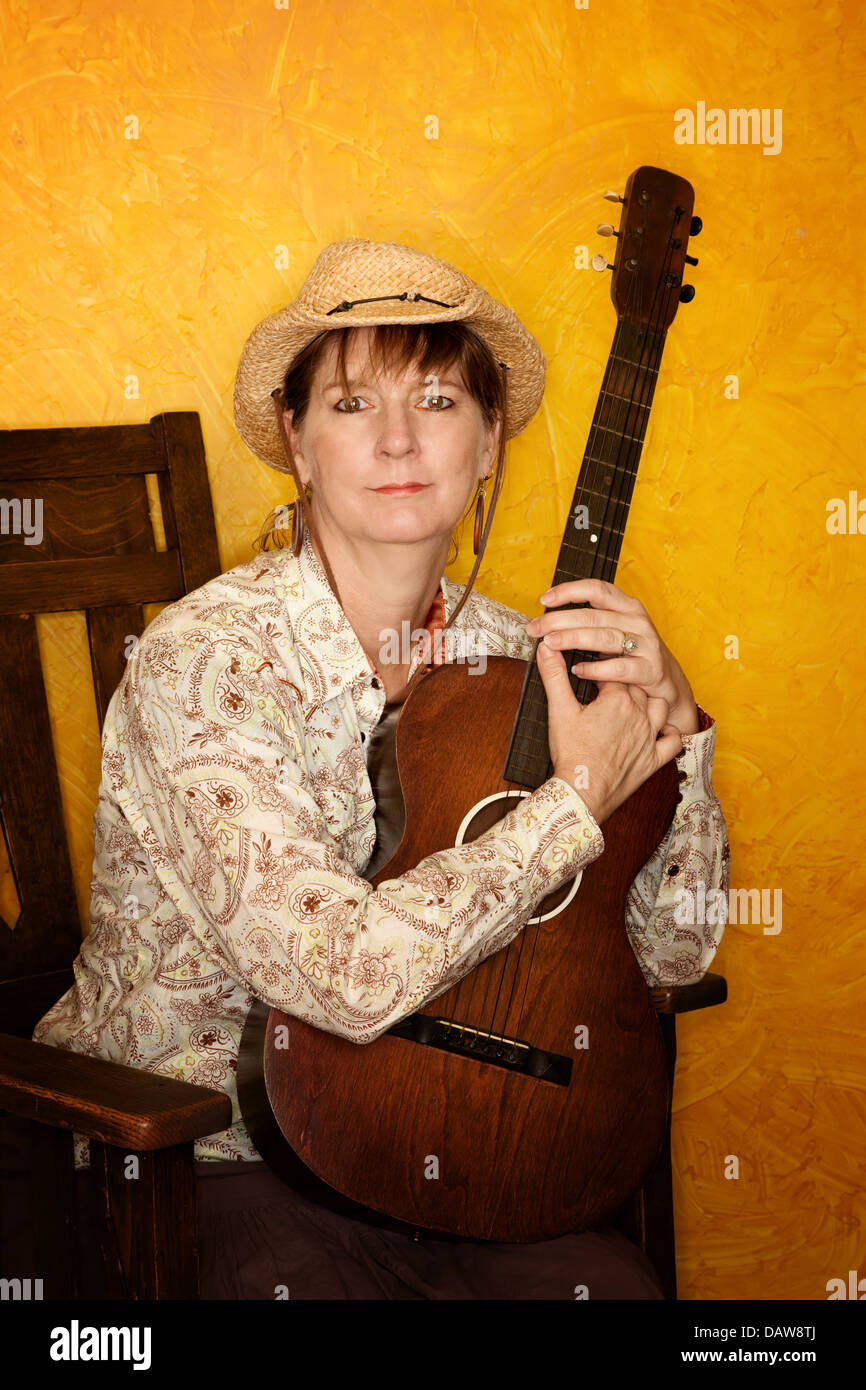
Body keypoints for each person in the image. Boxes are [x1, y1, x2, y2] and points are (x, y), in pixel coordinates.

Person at [32, 237, 730, 1300]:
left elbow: (670, 959)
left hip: (466, 1132)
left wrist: (673, 742)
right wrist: (576, 795)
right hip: (205, 1160)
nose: (399, 438)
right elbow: (340, 978)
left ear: (489, 440)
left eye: (440, 401)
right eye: (353, 405)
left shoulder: (524, 662)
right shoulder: (206, 661)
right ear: (298, 445)